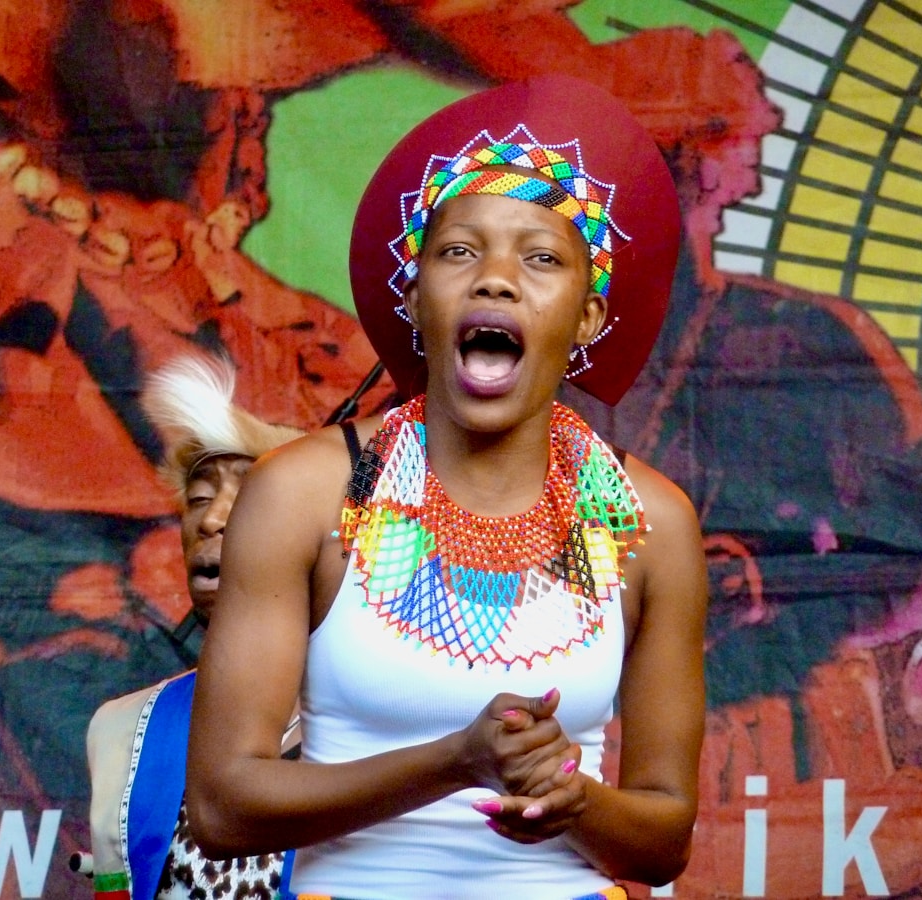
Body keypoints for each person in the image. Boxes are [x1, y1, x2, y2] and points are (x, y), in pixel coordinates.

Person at [186, 75, 708, 897]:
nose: (496, 279)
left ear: (587, 320)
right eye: (459, 251)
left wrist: (579, 803)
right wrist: (456, 762)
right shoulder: (310, 492)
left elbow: (663, 839)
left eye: (541, 259)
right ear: (414, 296)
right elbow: (222, 807)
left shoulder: (650, 522)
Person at [85, 352, 302, 900]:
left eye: (251, 494)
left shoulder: (379, 726)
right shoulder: (122, 733)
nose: (210, 519)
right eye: (199, 499)